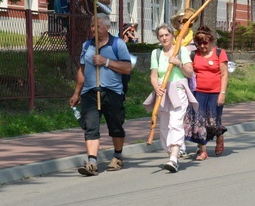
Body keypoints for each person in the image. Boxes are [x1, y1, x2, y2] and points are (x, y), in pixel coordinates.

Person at [69, 13, 132, 176]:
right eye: (91, 26)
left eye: (97, 26)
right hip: (90, 92)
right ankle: (92, 162)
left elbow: (127, 68)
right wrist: (77, 93)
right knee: (91, 127)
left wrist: (106, 62)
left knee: (115, 125)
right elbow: (82, 70)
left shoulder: (118, 44)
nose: (93, 29)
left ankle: (117, 156)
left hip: (112, 92)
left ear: (107, 27)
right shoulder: (87, 46)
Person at [144, 24, 196, 172]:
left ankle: (174, 157)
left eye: (166, 35)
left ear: (172, 35)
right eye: (161, 36)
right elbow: (154, 75)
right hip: (163, 92)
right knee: (165, 126)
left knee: (176, 123)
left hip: (178, 91)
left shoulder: (182, 50)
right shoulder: (156, 53)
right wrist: (156, 87)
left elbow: (190, 73)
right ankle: (170, 154)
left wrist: (178, 63)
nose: (164, 38)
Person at [184, 26, 229, 161]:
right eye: (199, 43)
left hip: (215, 92)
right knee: (199, 121)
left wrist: (222, 93)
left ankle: (219, 137)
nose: (203, 46)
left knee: (213, 122)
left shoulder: (219, 53)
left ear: (211, 41)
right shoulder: (194, 55)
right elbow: (189, 72)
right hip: (198, 92)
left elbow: (225, 74)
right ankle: (202, 150)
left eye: (205, 42)